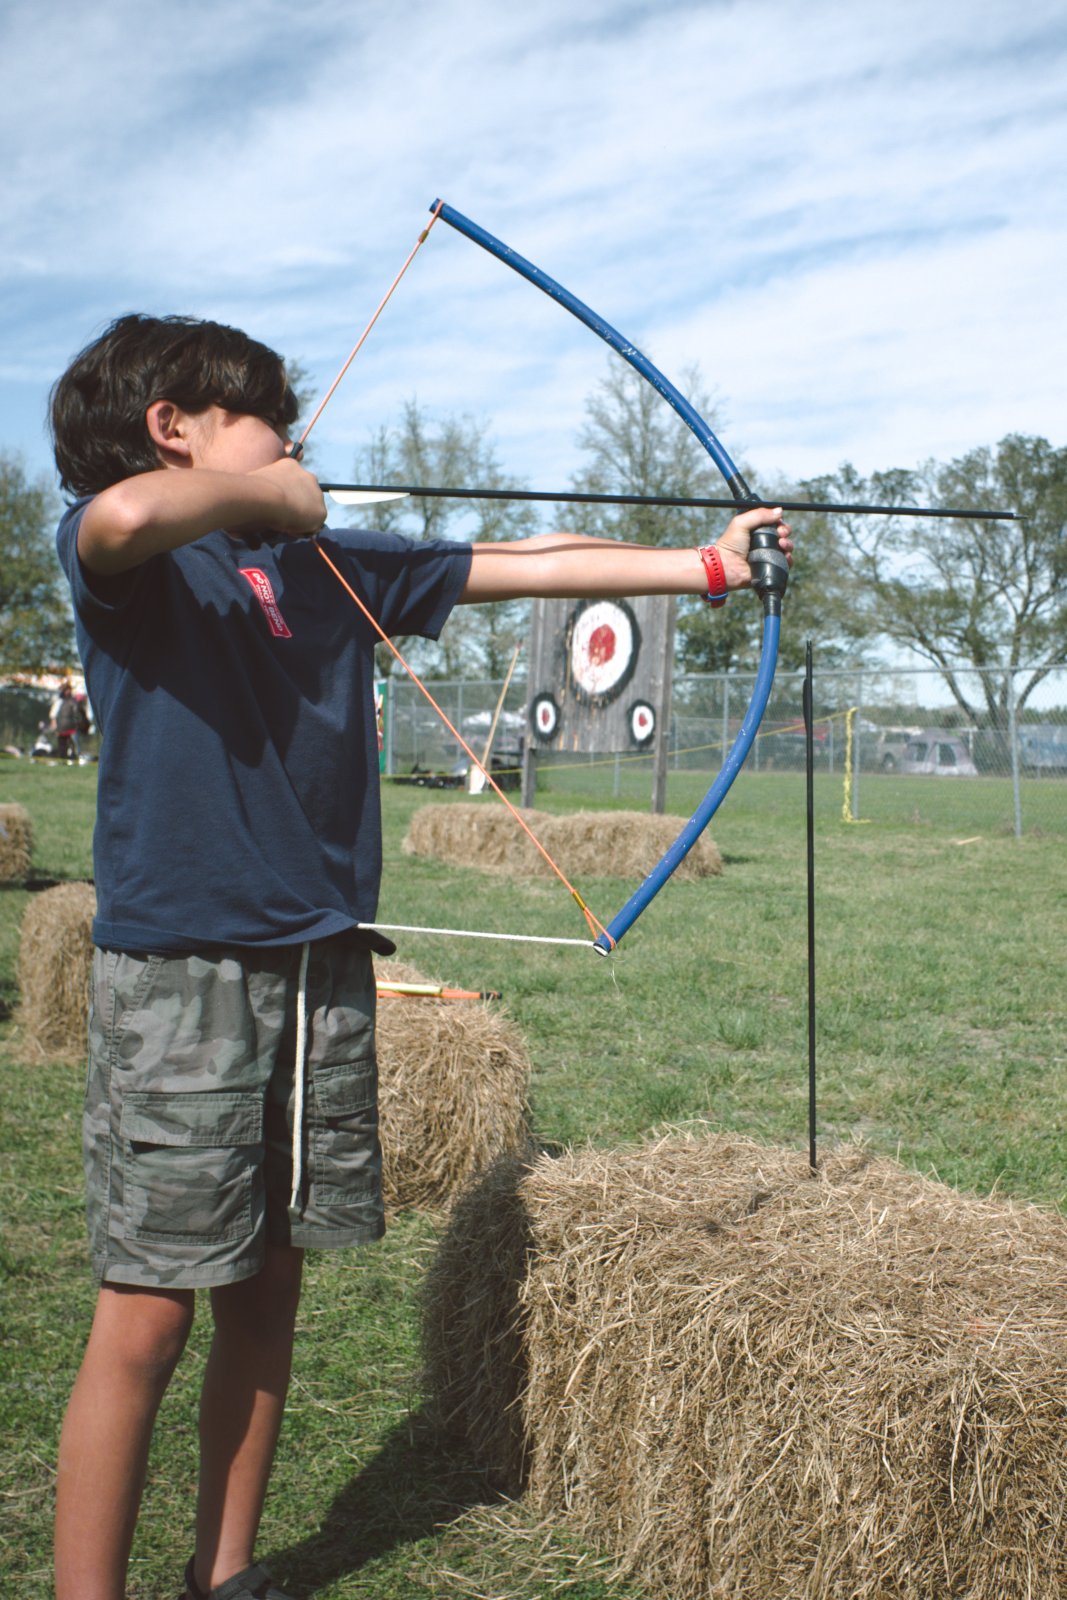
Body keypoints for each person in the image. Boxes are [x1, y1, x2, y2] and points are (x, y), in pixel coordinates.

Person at [49, 312, 792, 1600]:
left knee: (269, 1292)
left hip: (321, 964)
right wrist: (259, 489)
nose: (298, 446)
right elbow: (118, 522)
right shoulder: (141, 564)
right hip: (184, 977)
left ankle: (225, 1574)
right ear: (176, 428)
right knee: (151, 1310)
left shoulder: (333, 565)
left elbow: (529, 557)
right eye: (272, 420)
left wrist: (706, 567)